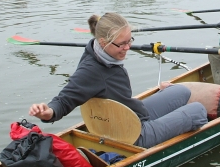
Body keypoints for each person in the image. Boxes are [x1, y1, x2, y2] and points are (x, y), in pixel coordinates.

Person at [28, 13, 208, 148]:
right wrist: (48, 112)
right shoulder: (91, 70)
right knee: (198, 110)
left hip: (130, 117)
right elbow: (66, 99)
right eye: (121, 44)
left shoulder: (98, 52)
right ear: (102, 41)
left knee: (182, 91)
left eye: (129, 41)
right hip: (132, 136)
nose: (127, 48)